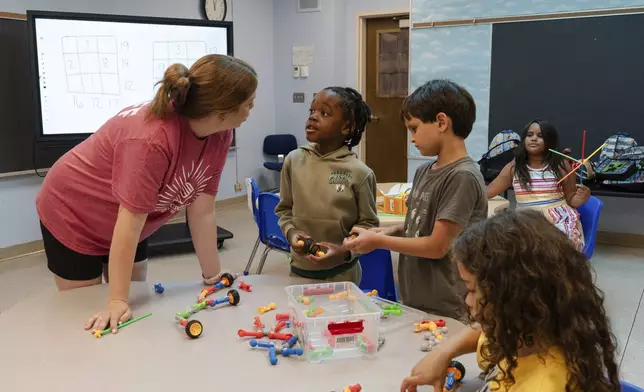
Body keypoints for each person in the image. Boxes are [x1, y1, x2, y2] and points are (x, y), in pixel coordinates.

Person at [36, 54, 257, 333]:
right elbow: (129, 225)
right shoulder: (152, 139)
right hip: (73, 211)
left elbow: (202, 210)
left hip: (130, 216)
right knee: (91, 311)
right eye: (248, 103)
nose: (252, 108)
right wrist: (116, 300)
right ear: (222, 108)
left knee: (137, 296)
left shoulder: (221, 133)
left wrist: (213, 277)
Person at [400, 209, 620, 392]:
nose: (467, 300)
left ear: (514, 299)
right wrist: (443, 352)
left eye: (472, 289)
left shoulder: (542, 384)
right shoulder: (522, 338)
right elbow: (480, 334)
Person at [344, 79, 487, 321]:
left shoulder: (462, 176)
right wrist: (383, 232)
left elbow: (437, 246)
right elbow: (415, 227)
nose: (411, 138)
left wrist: (378, 242)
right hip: (418, 298)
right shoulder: (424, 171)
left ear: (441, 122)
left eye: (414, 128)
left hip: (449, 304)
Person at [275, 86, 378, 284]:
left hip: (343, 273)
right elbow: (284, 209)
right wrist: (291, 232)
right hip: (299, 269)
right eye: (312, 111)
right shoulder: (293, 160)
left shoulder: (360, 172)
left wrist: (345, 251)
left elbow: (368, 225)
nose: (313, 117)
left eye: (324, 113)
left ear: (346, 127)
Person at [487, 119, 589, 251]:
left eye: (540, 136)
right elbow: (489, 191)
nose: (533, 139)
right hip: (525, 220)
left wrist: (581, 198)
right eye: (530, 135)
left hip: (558, 220)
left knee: (555, 249)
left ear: (550, 141)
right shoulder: (514, 166)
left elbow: (571, 198)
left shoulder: (561, 165)